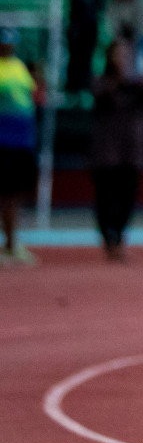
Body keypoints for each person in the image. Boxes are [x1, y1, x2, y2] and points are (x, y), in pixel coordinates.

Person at [89, 38, 143, 261]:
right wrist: (118, 81)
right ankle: (110, 241)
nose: (122, 60)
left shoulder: (138, 86)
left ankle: (119, 240)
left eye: (126, 55)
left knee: (127, 199)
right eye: (118, 54)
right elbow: (101, 98)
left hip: (131, 152)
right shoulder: (101, 82)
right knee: (106, 200)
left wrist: (142, 84)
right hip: (106, 154)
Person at [0, 27, 41, 266]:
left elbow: (31, 95)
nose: (8, 46)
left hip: (21, 142)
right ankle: (10, 242)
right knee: (5, 196)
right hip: (3, 142)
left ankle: (11, 243)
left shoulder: (18, 67)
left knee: (14, 196)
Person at [65, 0, 101, 94]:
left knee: (76, 63)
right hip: (85, 36)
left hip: (80, 36)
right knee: (84, 64)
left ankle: (75, 88)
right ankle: (81, 87)